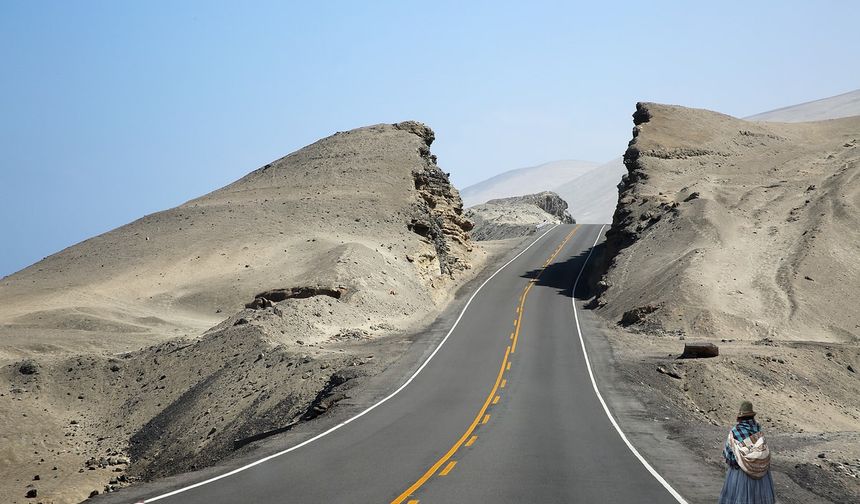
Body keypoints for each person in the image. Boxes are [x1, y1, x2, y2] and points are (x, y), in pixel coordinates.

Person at [718, 400, 776, 504]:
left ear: (740, 417)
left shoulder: (735, 432)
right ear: (752, 416)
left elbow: (729, 456)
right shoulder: (758, 430)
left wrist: (738, 462)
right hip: (761, 475)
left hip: (740, 475)